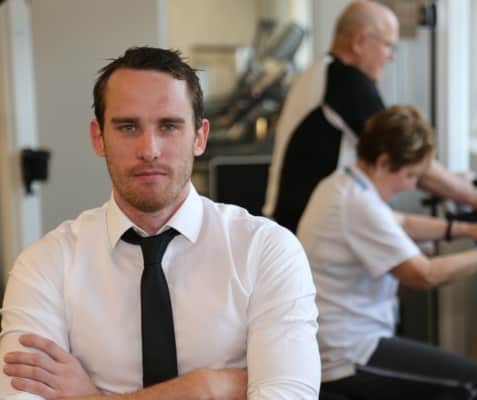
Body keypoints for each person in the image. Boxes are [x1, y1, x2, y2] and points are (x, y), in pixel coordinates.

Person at [0, 47, 320, 399]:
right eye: (128, 127)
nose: (149, 150)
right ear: (98, 138)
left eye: (169, 126)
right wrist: (207, 388)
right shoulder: (46, 265)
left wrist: (93, 398)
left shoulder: (266, 250)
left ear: (199, 136)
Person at [297, 105, 477, 400]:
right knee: (473, 381)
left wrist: (470, 229)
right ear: (383, 162)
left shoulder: (342, 183)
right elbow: (425, 275)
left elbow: (402, 222)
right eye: (409, 175)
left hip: (338, 339)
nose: (412, 185)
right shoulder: (357, 205)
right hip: (346, 353)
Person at [263, 0, 477, 233]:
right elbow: (404, 152)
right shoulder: (346, 81)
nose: (392, 57)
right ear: (359, 42)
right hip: (301, 231)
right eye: (388, 45)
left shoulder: (324, 72)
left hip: (295, 224)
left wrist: (454, 182)